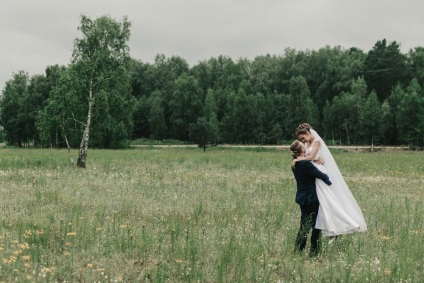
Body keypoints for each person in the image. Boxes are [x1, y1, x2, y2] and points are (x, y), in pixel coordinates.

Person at [292, 123, 367, 240]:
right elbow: (308, 155)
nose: (303, 141)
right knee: (321, 204)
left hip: (318, 172)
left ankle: (341, 224)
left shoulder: (317, 141)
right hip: (312, 172)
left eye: (303, 138)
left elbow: (310, 157)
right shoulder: (307, 143)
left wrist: (300, 159)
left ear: (307, 133)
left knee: (327, 199)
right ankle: (331, 228)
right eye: (301, 139)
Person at [290, 140, 332, 257]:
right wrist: (330, 182)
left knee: (304, 224)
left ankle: (298, 249)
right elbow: (320, 175)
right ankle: (314, 252)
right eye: (304, 146)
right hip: (311, 198)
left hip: (302, 197)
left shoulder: (295, 163)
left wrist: (314, 160)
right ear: (302, 150)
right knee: (316, 225)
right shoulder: (305, 164)